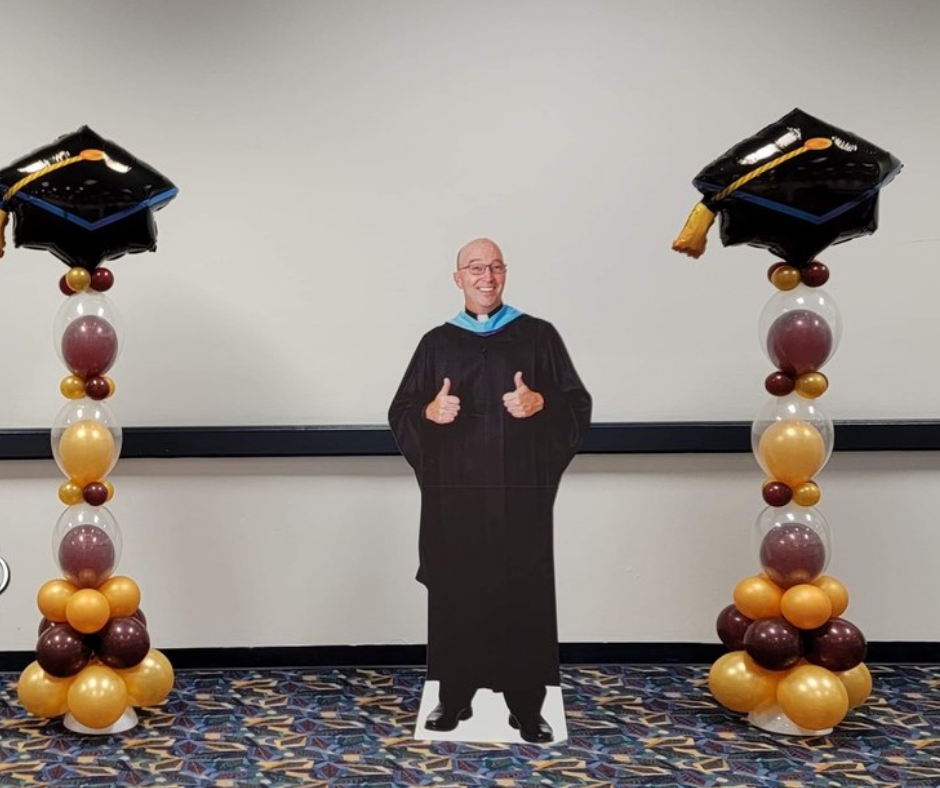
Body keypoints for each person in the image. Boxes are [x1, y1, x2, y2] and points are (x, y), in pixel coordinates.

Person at [388, 238, 591, 743]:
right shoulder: (437, 343)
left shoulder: (538, 336)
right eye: (475, 268)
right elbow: (402, 411)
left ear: (506, 274)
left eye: (496, 267)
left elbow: (575, 405)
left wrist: (541, 403)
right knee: (458, 593)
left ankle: (527, 706)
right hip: (455, 498)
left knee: (522, 594)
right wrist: (428, 415)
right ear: (457, 278)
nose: (487, 276)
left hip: (519, 499)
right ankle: (452, 698)